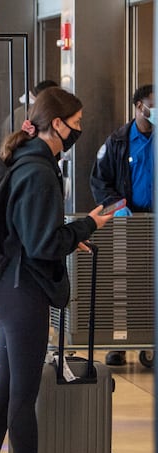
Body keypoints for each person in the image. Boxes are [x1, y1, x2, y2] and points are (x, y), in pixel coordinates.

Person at [0, 87, 112, 453]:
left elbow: (31, 233)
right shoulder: (39, 170)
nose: (80, 131)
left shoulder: (22, 160)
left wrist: (69, 236)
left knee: (6, 389)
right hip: (23, 293)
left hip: (5, 288)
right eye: (77, 124)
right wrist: (85, 228)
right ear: (57, 124)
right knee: (22, 396)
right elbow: (42, 243)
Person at [90, 84, 154, 367]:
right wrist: (117, 207)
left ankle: (150, 341)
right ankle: (119, 343)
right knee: (124, 283)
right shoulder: (117, 141)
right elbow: (99, 181)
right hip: (127, 223)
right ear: (139, 106)